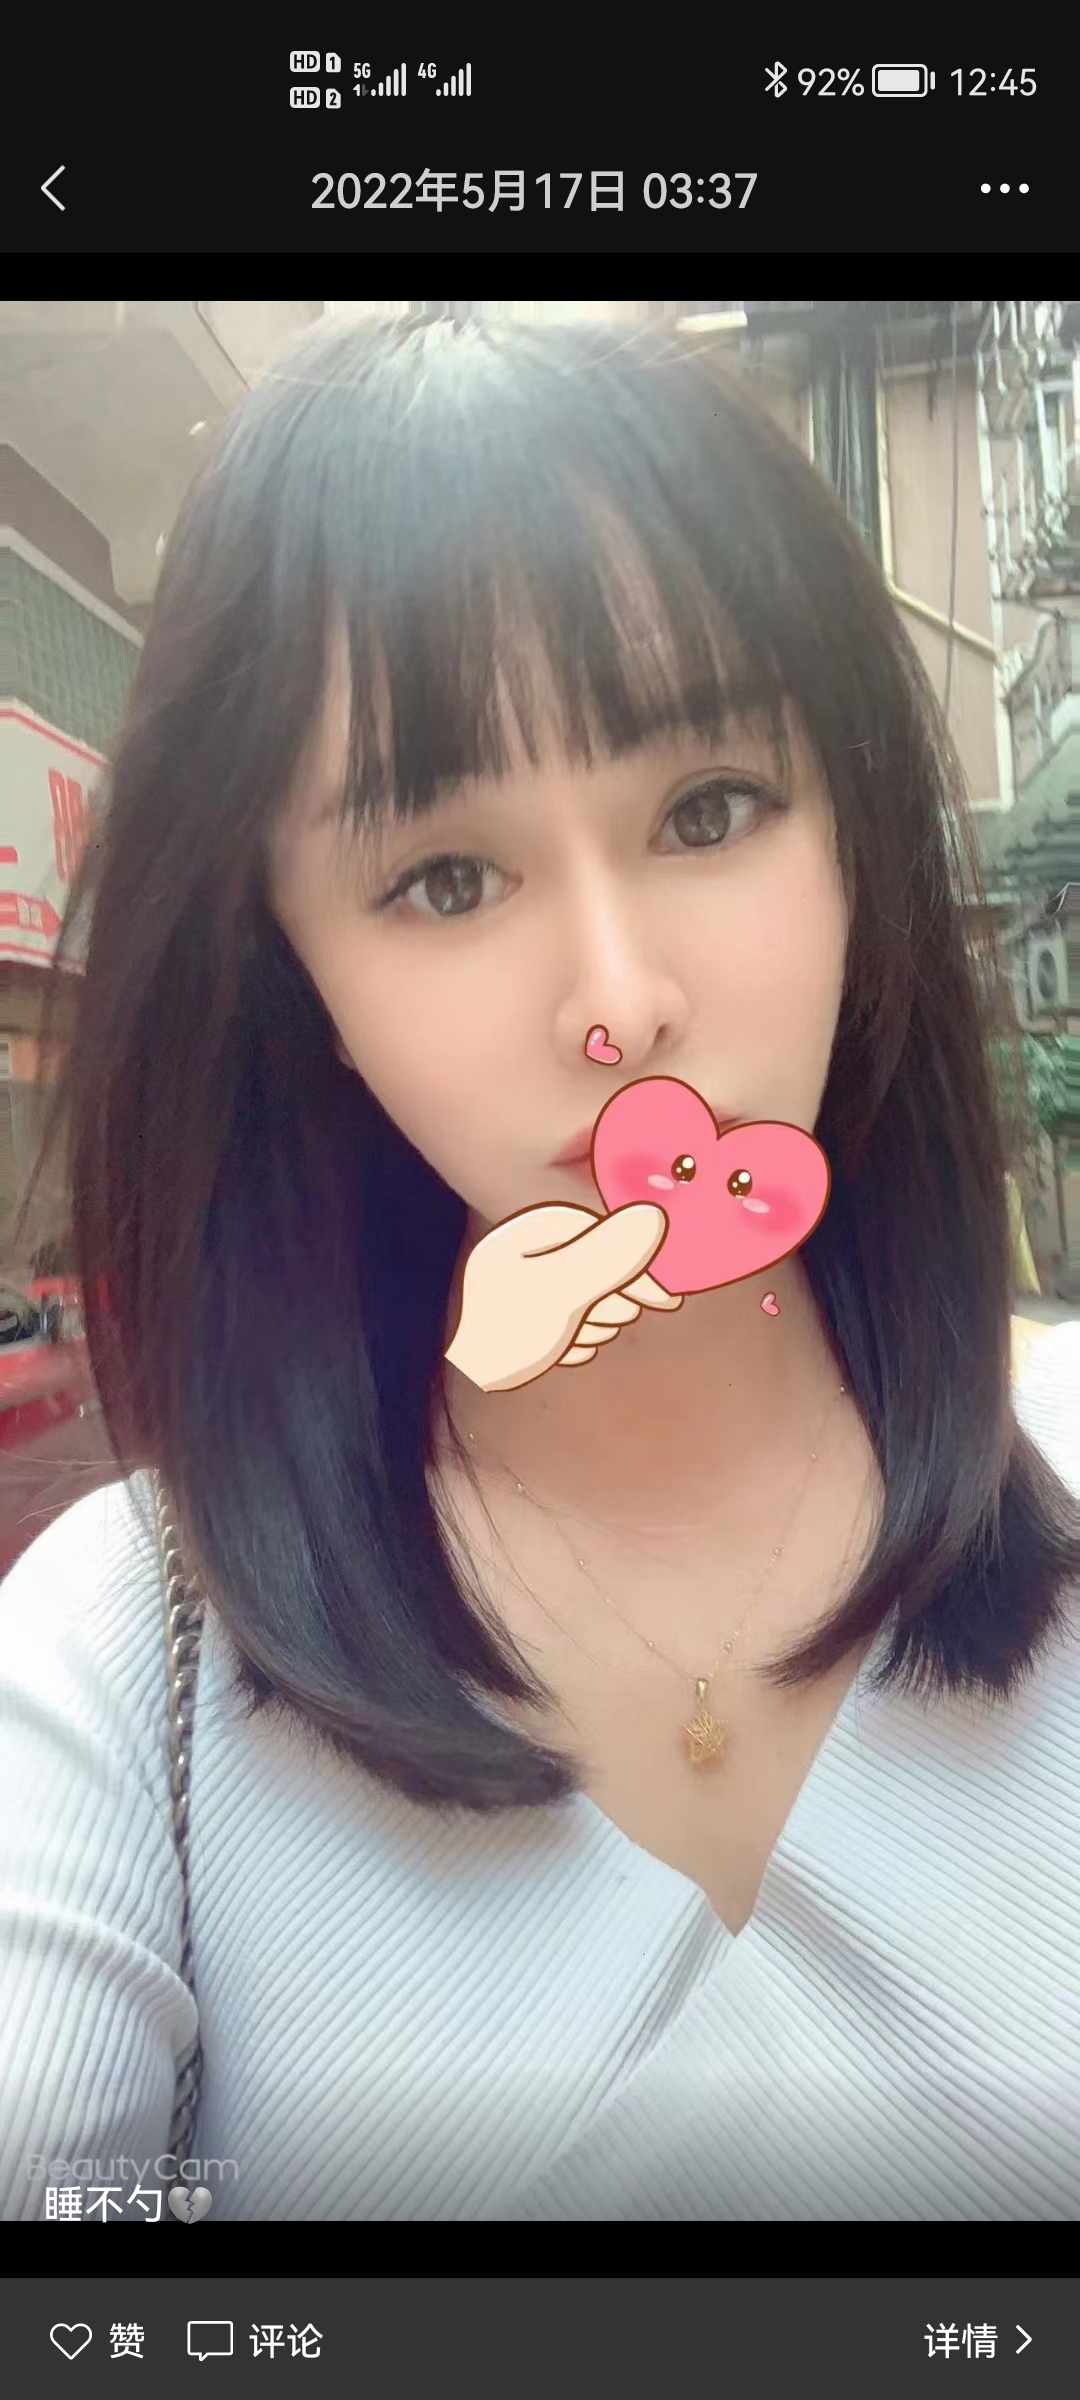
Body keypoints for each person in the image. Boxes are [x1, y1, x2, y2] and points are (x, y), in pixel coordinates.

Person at [1, 316, 1078, 2225]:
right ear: (297, 980)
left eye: (709, 810)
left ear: (857, 842)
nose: (621, 1000)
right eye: (447, 878)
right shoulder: (113, 1657)